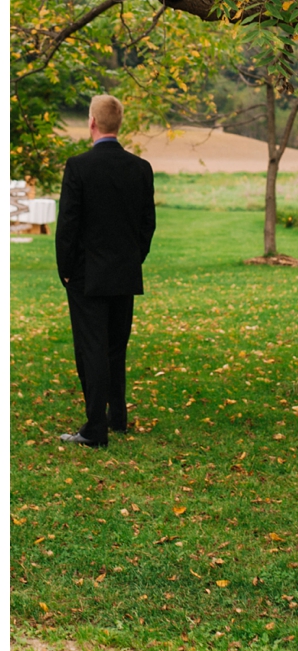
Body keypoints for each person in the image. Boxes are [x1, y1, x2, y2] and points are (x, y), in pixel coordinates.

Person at [55, 95, 156, 448]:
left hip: (86, 276)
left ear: (92, 122)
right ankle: (118, 418)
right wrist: (132, 259)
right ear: (118, 123)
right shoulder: (140, 168)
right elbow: (147, 226)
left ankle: (95, 429)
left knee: (92, 350)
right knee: (116, 347)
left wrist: (66, 271)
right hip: (124, 273)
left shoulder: (78, 167)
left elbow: (68, 225)